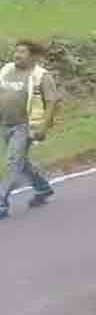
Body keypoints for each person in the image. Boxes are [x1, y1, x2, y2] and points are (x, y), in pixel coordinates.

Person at [0, 40, 63, 219]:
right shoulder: (6, 70)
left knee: (13, 163)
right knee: (21, 161)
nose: (17, 55)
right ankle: (43, 187)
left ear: (33, 57)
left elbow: (52, 101)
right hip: (6, 123)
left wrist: (44, 127)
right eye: (16, 51)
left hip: (25, 125)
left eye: (22, 52)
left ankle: (1, 202)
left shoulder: (41, 76)